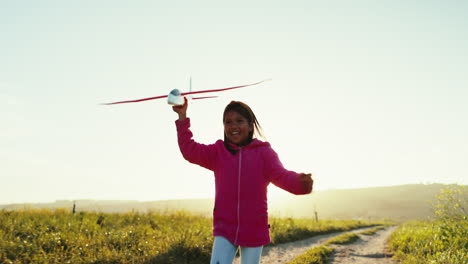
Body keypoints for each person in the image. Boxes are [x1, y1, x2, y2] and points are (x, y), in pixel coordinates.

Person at [172, 98, 313, 264]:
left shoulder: (264, 153)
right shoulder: (218, 152)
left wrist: (300, 183)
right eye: (228, 122)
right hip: (225, 227)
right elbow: (190, 150)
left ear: (251, 125)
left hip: (254, 227)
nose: (233, 126)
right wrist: (182, 117)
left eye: (239, 121)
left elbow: (282, 176)